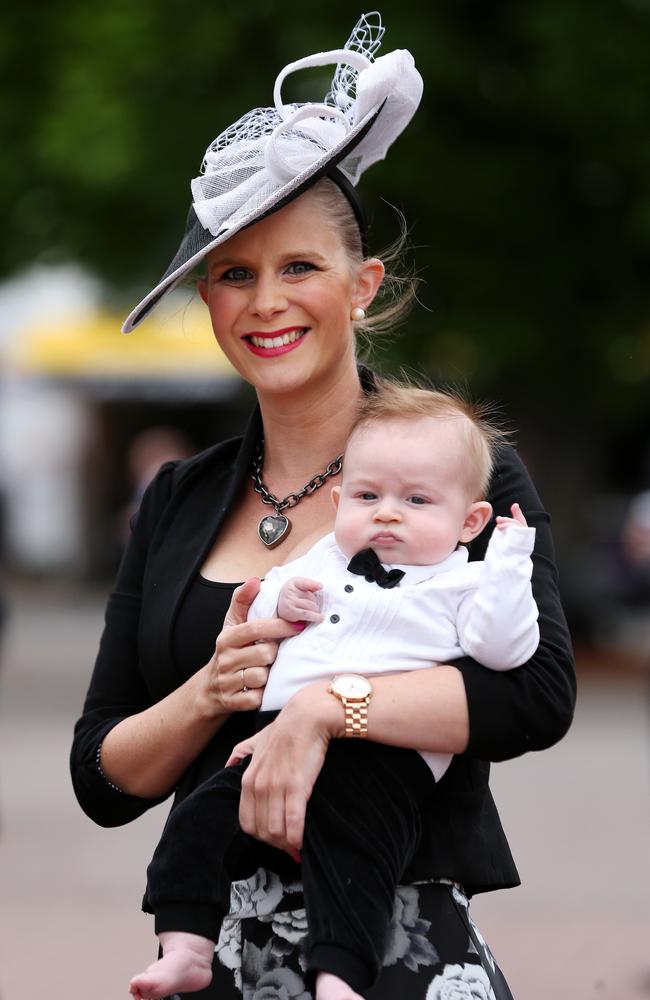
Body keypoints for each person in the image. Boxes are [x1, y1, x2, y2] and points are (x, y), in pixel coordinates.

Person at [70, 13, 575, 1000]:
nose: (266, 303)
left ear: (361, 284)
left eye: (298, 266)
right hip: (206, 956)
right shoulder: (176, 497)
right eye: (234, 274)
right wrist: (211, 692)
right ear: (207, 299)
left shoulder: (463, 471)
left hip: (399, 952)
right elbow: (103, 772)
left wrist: (324, 708)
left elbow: (535, 693)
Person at [129, 384, 540, 1000]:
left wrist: (509, 566)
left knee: (354, 855)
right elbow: (267, 599)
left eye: (417, 500)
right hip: (269, 740)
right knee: (198, 821)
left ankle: (339, 977)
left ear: (470, 522)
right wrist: (281, 599)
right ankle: (185, 943)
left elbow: (506, 652)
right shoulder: (327, 556)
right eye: (369, 496)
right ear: (341, 499)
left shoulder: (466, 582)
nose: (388, 512)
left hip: (385, 751)